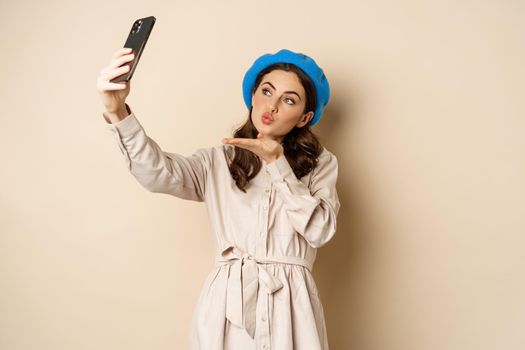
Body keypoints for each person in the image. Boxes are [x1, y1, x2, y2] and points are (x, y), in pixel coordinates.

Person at [97, 48, 341, 350]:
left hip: (291, 306)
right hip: (228, 305)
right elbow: (156, 172)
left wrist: (278, 164)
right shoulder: (218, 161)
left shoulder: (320, 164)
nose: (273, 105)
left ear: (304, 117)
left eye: (289, 100)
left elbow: (319, 231)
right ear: (252, 96)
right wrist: (118, 112)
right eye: (266, 91)